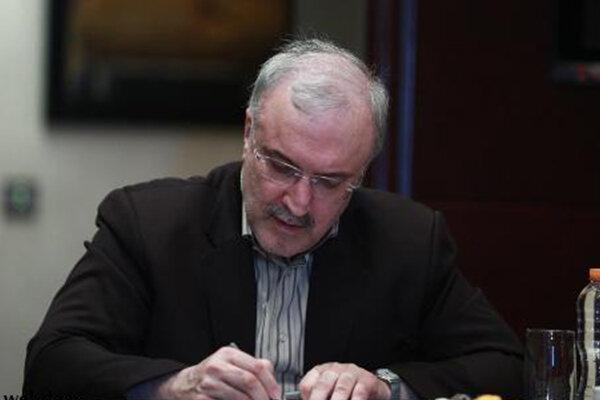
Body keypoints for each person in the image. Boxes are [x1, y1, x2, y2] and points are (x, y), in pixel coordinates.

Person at [23, 39, 523, 400]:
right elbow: (51, 364)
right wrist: (174, 386)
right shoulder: (148, 225)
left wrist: (385, 387)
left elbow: (506, 365)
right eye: (281, 167)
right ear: (248, 133)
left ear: (361, 172)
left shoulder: (407, 239)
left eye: (330, 181)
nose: (299, 202)